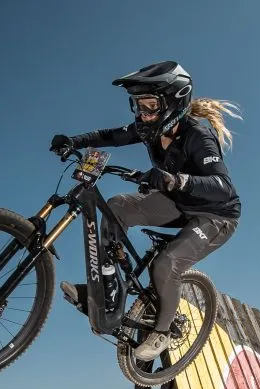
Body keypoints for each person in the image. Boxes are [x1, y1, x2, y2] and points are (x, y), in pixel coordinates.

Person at [49, 60, 242, 361]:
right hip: (178, 203)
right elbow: (111, 135)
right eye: (138, 105)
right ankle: (106, 290)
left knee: (167, 264)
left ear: (174, 103)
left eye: (151, 105)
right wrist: (75, 140)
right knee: (116, 208)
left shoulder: (198, 137)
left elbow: (223, 186)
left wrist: (179, 179)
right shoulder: (149, 129)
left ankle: (163, 331)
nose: (144, 114)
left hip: (215, 216)